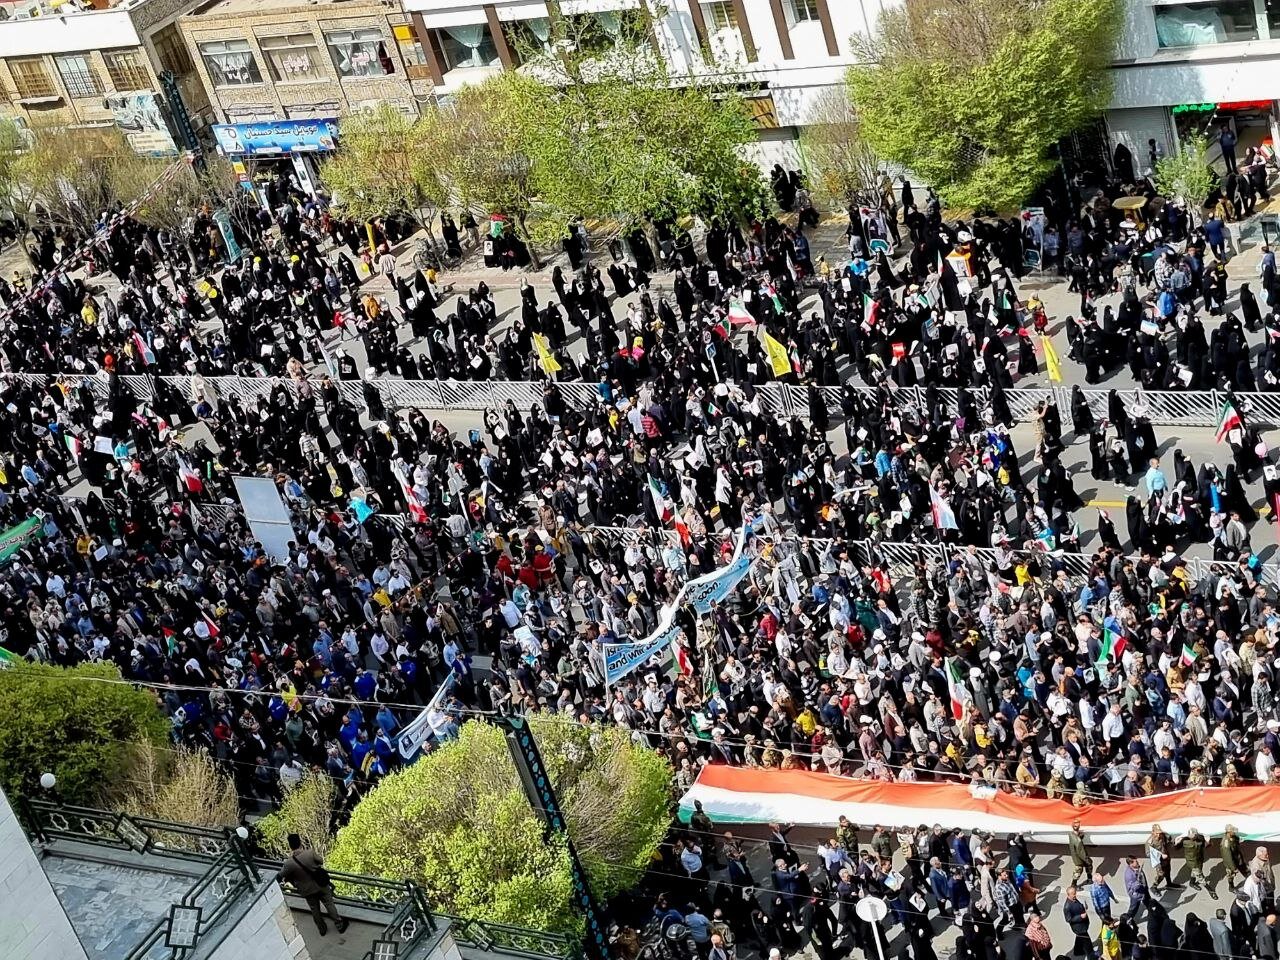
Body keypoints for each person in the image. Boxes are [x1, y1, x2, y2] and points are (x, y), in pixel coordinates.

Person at [278, 833, 348, 936]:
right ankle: (339, 925)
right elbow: (320, 861)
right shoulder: (309, 853)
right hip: (320, 884)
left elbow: (280, 876)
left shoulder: (289, 863)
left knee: (315, 909)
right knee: (329, 904)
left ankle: (322, 929)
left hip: (306, 890)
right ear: (300, 842)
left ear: (290, 846)